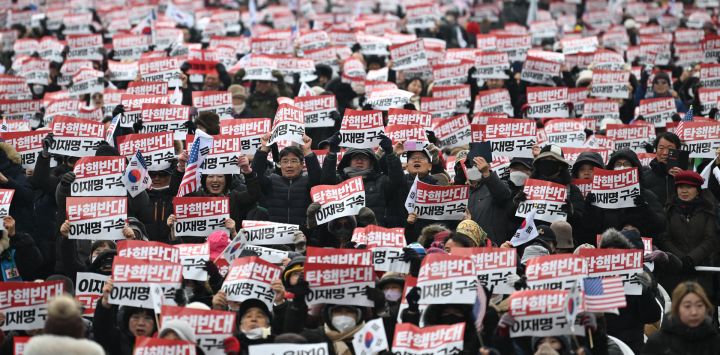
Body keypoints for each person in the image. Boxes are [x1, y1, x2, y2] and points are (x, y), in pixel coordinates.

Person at [658, 170, 719, 295]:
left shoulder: (709, 211)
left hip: (701, 270)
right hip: (674, 271)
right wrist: (680, 259)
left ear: (697, 190)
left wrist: (691, 259)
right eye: (680, 187)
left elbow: (711, 239)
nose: (684, 191)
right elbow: (664, 238)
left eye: (689, 187)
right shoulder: (669, 209)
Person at [252, 134, 322, 226]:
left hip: (302, 235)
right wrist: (264, 150)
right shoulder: (271, 181)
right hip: (275, 236)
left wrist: (307, 151)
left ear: (301, 165)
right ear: (280, 164)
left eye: (293, 161)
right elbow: (255, 175)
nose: (289, 165)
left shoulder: (308, 182)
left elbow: (317, 177)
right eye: (285, 161)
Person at [642, 281, 720, 355]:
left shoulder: (714, 341)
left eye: (699, 305)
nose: (694, 312)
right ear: (676, 309)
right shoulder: (658, 342)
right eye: (687, 306)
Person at [94, 280, 157, 355]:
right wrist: (106, 302)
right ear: (127, 320)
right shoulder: (117, 341)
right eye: (136, 317)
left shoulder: (165, 343)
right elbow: (102, 329)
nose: (141, 323)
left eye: (147, 318)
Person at [645, 132, 683, 206]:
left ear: (678, 150)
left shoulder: (686, 176)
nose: (665, 153)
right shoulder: (644, 178)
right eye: (661, 148)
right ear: (655, 150)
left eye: (670, 148)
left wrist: (682, 180)